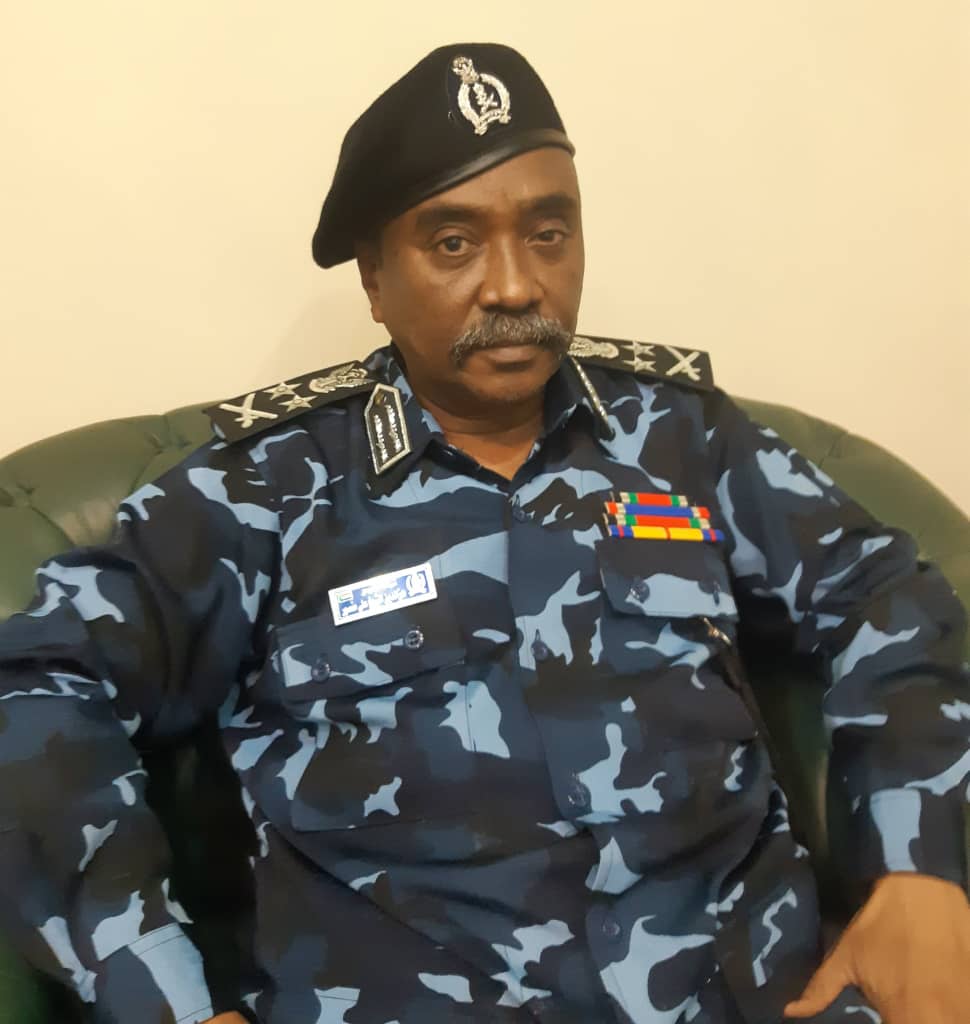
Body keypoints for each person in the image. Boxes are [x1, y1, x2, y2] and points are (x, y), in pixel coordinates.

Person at [0, 42, 967, 1024]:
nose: (514, 286)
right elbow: (35, 681)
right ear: (375, 280)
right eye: (454, 242)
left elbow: (884, 593)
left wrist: (920, 868)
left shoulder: (683, 442)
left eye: (548, 233)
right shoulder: (265, 489)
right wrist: (157, 997)